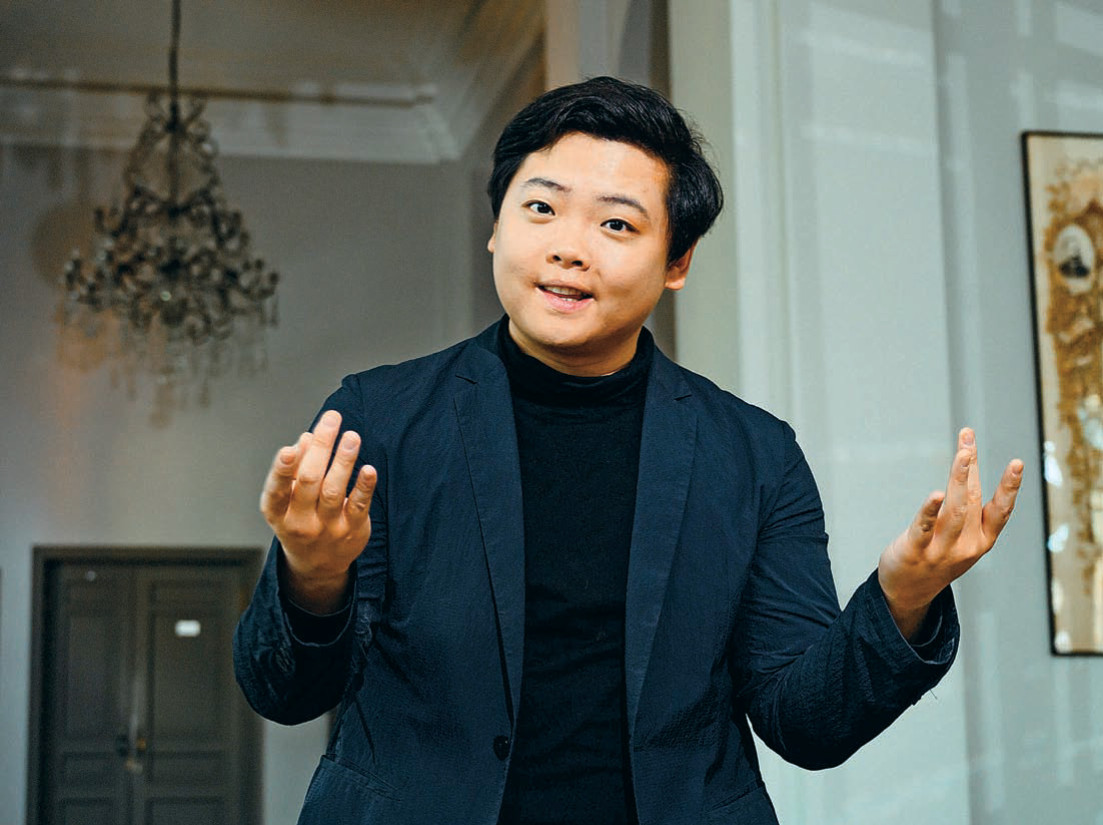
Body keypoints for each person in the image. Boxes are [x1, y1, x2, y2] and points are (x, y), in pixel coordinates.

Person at [233, 76, 1023, 825]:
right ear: (497, 226)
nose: (568, 248)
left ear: (676, 261)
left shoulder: (753, 454)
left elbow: (806, 722)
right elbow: (283, 691)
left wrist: (903, 597)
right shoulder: (378, 419)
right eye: (540, 208)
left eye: (616, 224)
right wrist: (314, 573)